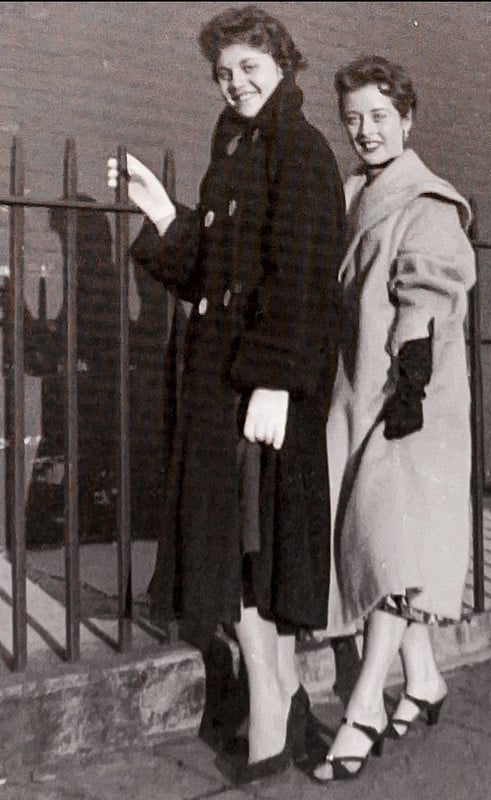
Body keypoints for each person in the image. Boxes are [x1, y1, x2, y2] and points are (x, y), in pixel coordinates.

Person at [107, 5, 345, 785]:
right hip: (226, 385)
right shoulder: (236, 147)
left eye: (248, 67)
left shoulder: (300, 151)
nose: (234, 82)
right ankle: (282, 695)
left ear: (283, 65)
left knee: (251, 549)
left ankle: (273, 706)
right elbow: (210, 269)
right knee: (241, 549)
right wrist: (162, 212)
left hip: (259, 387)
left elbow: (302, 276)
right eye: (223, 72)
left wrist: (275, 380)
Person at [313, 55, 476, 782]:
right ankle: (426, 679)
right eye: (353, 119)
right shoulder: (354, 193)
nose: (366, 130)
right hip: (361, 388)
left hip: (413, 397)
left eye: (380, 116)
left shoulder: (428, 200)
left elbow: (425, 296)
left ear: (407, 120)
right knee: (380, 543)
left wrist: (408, 389)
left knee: (388, 546)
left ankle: (363, 708)